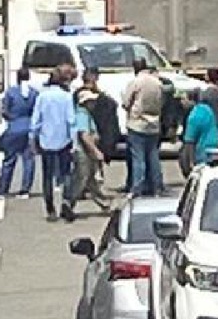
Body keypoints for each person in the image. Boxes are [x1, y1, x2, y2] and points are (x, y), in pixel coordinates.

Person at [31, 70, 77, 221]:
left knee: (47, 176)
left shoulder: (42, 96)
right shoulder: (67, 97)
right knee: (66, 173)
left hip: (46, 140)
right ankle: (66, 202)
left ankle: (50, 208)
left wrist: (33, 138)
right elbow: (71, 121)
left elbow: (36, 120)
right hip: (64, 140)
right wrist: (74, 141)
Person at [121, 58, 165, 197]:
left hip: (137, 124)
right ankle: (157, 187)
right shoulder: (157, 83)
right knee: (153, 157)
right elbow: (162, 102)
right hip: (154, 124)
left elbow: (126, 102)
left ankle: (137, 188)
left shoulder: (136, 82)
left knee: (138, 158)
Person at [65, 90, 112, 220]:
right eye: (92, 101)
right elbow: (84, 135)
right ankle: (68, 202)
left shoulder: (85, 114)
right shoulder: (82, 115)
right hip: (83, 152)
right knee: (82, 179)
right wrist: (96, 151)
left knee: (91, 180)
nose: (94, 104)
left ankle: (104, 203)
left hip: (86, 151)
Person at [0, 68, 39, 197]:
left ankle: (3, 188)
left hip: (14, 128)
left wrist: (12, 118)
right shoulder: (34, 93)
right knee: (29, 160)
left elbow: (5, 111)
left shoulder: (11, 92)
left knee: (9, 160)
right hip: (29, 128)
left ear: (17, 77)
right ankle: (25, 189)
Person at [182, 86, 218, 167]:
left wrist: (190, 163)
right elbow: (190, 141)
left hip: (206, 154)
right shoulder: (205, 111)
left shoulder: (199, 113)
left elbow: (189, 141)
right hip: (209, 153)